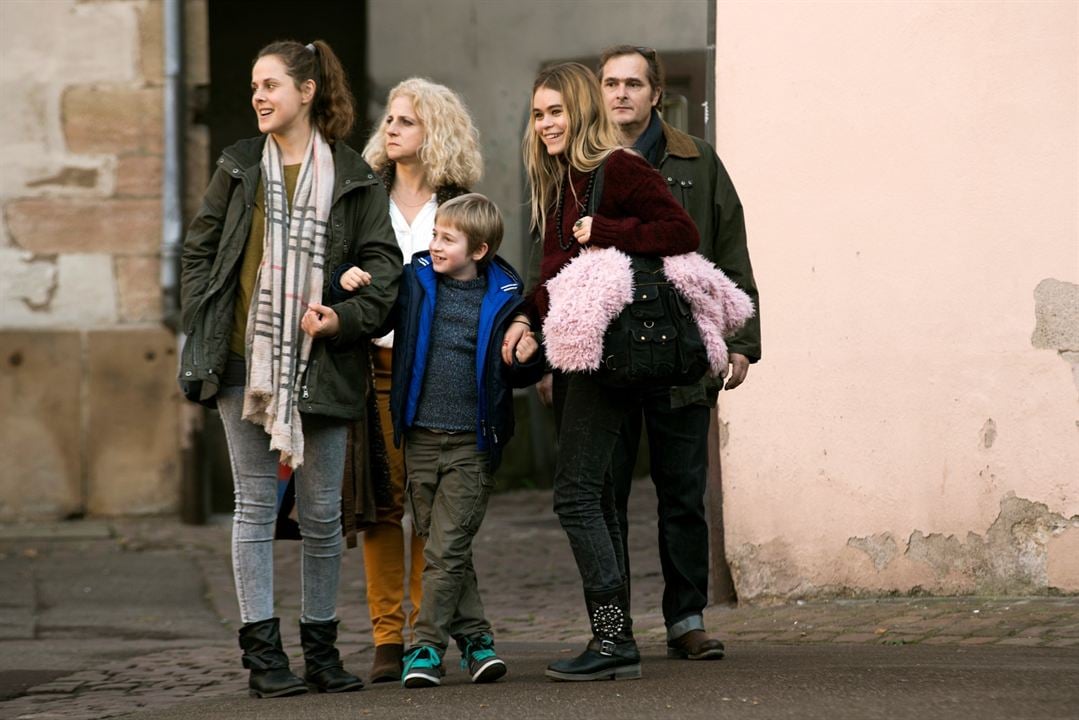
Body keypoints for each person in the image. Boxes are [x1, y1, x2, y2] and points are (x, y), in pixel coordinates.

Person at [178, 39, 402, 698]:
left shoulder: (355, 174)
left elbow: (383, 271)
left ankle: (323, 652)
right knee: (253, 507)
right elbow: (198, 249)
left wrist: (343, 318)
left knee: (322, 515)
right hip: (245, 361)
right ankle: (263, 656)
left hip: (324, 362)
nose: (258, 97)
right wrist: (206, 317)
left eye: (271, 84)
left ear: (306, 92)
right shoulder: (240, 166)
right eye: (254, 86)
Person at [504, 61, 701, 682]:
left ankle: (614, 640)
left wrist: (608, 229)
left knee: (576, 494)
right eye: (537, 115)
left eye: (556, 112)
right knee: (596, 495)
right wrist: (524, 321)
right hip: (578, 349)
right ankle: (614, 637)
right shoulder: (558, 181)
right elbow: (557, 277)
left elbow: (681, 230)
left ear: (583, 110)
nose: (545, 125)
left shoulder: (617, 168)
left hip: (612, 350)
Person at [595, 45, 761, 661]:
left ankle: (685, 620)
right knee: (601, 498)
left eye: (633, 84)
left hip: (683, 349)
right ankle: (609, 627)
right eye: (610, 83)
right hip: (605, 356)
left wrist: (741, 341)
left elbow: (730, 250)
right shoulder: (584, 159)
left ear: (656, 93)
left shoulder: (697, 161)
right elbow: (551, 250)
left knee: (682, 494)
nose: (621, 94)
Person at [362, 193, 543, 687]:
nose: (434, 245)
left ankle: (424, 649)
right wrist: (350, 284)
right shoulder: (416, 282)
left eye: (447, 238)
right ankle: (479, 642)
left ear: (478, 251)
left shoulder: (505, 298)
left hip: (472, 444)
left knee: (444, 548)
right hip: (419, 438)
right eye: (434, 234)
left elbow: (524, 366)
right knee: (445, 544)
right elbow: (376, 319)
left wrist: (528, 351)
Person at [353, 78, 483, 683]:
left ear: (436, 130)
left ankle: (427, 634)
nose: (392, 128)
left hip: (437, 374)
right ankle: (387, 635)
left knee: (431, 510)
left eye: (406, 120)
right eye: (390, 119)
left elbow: (484, 283)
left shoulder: (459, 204)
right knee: (384, 506)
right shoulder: (363, 195)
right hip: (373, 367)